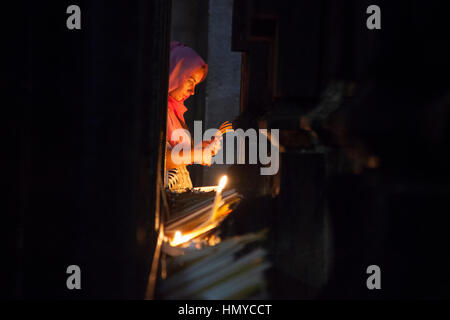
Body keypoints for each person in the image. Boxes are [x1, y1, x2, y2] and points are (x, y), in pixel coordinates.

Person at [165, 41, 219, 190]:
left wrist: (198, 148)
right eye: (190, 82)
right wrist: (196, 154)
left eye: (196, 84)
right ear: (175, 73)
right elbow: (160, 159)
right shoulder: (155, 110)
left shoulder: (174, 111)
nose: (192, 91)